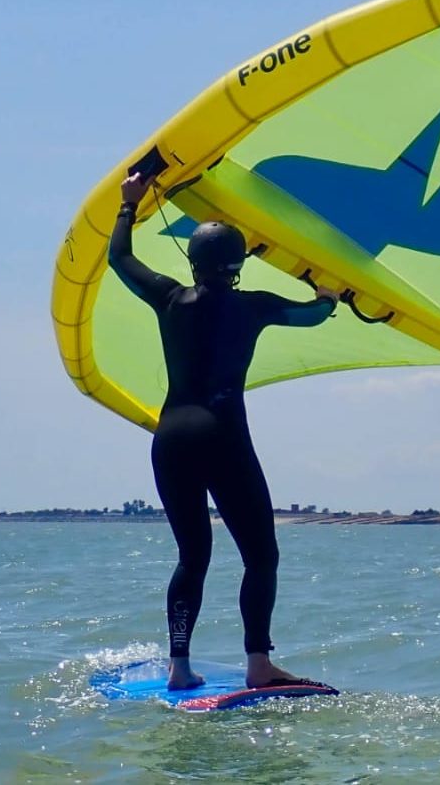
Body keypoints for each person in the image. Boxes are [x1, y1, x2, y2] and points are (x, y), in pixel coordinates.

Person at [109, 171, 340, 690]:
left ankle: (179, 667)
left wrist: (129, 203)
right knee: (260, 556)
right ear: (239, 265)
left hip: (171, 439)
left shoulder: (169, 298)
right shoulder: (252, 306)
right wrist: (326, 292)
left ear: (192, 261)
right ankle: (259, 665)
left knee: (192, 557)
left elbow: (119, 258)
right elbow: (314, 315)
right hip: (223, 436)